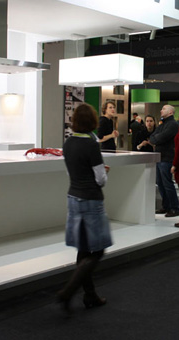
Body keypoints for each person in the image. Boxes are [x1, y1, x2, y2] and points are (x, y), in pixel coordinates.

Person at [58, 103, 113, 315]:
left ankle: (90, 295)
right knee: (97, 250)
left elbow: (71, 172)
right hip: (91, 200)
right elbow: (100, 180)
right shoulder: (92, 144)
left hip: (73, 197)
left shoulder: (68, 143)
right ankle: (68, 291)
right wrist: (105, 172)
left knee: (83, 249)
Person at [150, 104, 179, 217]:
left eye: (163, 109)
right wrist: (156, 139)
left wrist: (156, 139)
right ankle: (166, 206)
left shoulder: (173, 124)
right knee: (160, 183)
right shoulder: (163, 124)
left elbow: (160, 137)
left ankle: (174, 208)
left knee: (167, 183)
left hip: (167, 158)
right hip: (160, 157)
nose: (161, 110)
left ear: (170, 112)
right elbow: (152, 137)